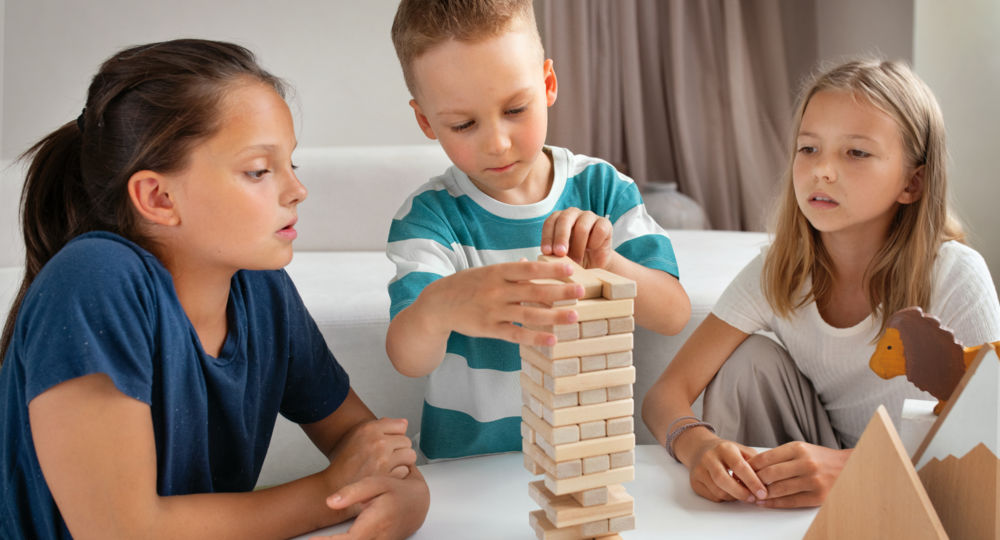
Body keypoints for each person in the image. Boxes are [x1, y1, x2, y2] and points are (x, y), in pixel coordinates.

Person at [0, 39, 428, 539]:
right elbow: (123, 532)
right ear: (158, 197)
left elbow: (364, 441)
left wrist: (405, 489)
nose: (297, 190)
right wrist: (330, 493)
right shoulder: (94, 280)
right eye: (258, 171)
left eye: (293, 164)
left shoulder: (262, 289)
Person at [641, 58, 1000, 509]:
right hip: (814, 470)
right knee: (750, 360)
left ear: (913, 182)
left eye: (856, 153)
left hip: (922, 490)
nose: (822, 171)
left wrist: (856, 468)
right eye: (808, 149)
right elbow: (664, 395)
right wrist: (699, 447)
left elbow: (989, 441)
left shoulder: (955, 276)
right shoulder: (778, 273)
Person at [386, 0, 691, 460]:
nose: (497, 142)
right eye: (464, 124)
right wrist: (438, 308)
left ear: (547, 84)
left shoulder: (603, 189)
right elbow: (409, 359)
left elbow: (672, 315)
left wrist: (605, 261)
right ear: (427, 121)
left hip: (585, 457)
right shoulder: (430, 218)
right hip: (469, 464)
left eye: (515, 109)